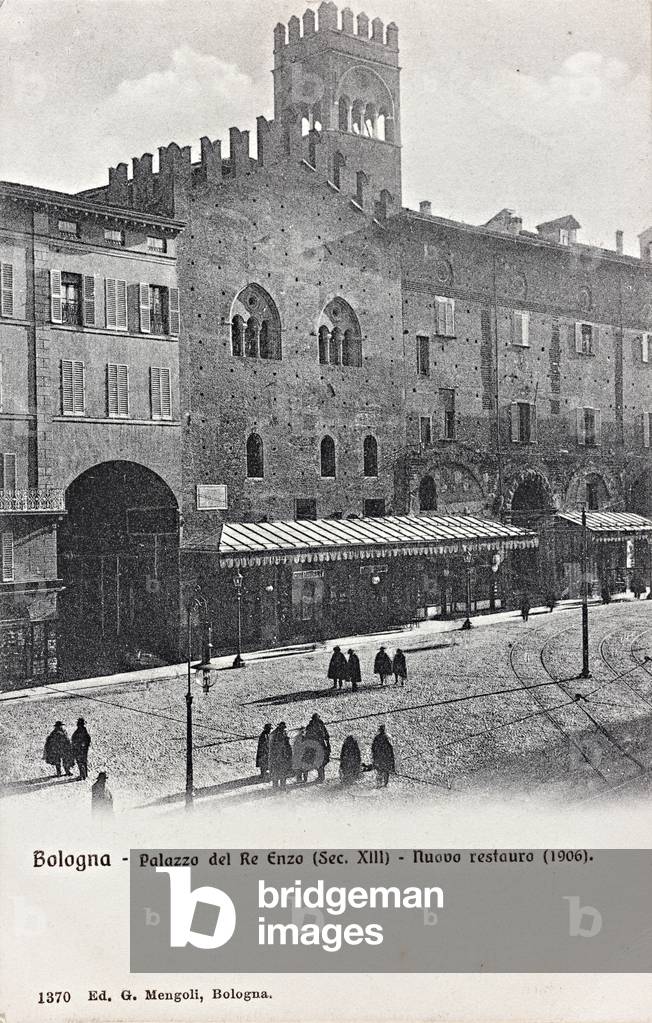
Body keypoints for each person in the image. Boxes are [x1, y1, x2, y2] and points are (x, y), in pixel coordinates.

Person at [305, 712, 331, 782]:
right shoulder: (312, 726)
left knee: (320, 761)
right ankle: (321, 776)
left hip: (319, 746)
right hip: (316, 746)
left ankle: (321, 776)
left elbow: (326, 735)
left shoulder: (319, 725)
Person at [268, 722, 292, 790]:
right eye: (282, 727)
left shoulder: (283, 733)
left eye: (283, 728)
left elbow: (287, 746)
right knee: (276, 772)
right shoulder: (275, 734)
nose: (283, 729)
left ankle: (282, 786)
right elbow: (272, 746)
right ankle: (276, 787)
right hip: (276, 757)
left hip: (282, 757)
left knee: (282, 773)